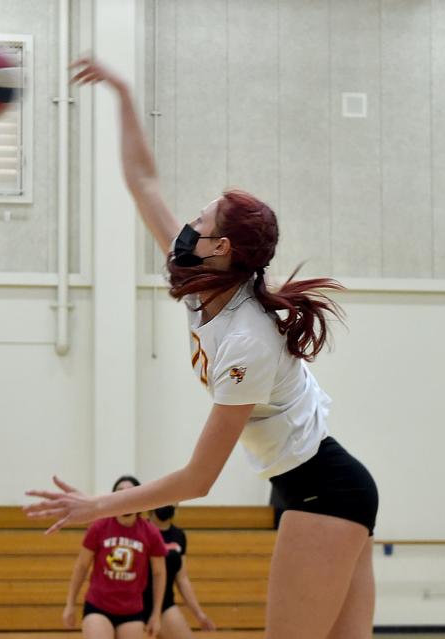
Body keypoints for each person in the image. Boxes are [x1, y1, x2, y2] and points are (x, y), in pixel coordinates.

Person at [26, 57, 379, 639]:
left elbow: (197, 480)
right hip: (316, 485)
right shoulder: (200, 283)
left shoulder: (246, 344)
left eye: (202, 218)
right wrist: (121, 92)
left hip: (325, 490)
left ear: (219, 246)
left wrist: (98, 505)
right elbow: (143, 182)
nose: (187, 222)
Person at [63, 475, 167, 639]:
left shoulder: (150, 532)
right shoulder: (99, 527)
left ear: (139, 498)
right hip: (98, 607)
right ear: (113, 498)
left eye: (131, 492)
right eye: (120, 492)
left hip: (132, 611)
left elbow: (159, 573)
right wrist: (70, 603)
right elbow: (82, 566)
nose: (124, 496)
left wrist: (156, 614)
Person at [143, 504, 215, 636]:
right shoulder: (140, 529)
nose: (167, 504)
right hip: (134, 604)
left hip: (165, 604)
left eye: (172, 501)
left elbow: (182, 578)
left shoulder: (178, 535)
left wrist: (199, 613)